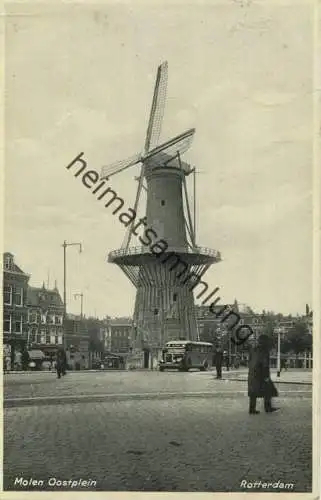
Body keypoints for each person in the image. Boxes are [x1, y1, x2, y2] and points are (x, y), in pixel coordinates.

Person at [248, 334, 279, 415]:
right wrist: (266, 376)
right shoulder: (264, 350)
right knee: (268, 390)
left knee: (253, 392)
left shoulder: (253, 349)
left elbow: (250, 360)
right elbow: (264, 363)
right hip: (261, 373)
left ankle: (252, 409)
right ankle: (268, 407)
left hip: (252, 373)